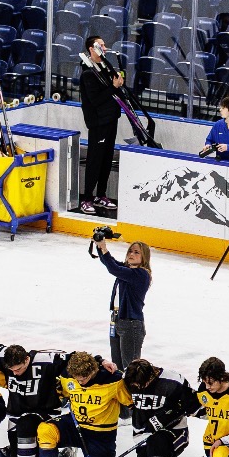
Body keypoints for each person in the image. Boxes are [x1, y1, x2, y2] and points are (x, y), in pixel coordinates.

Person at [77, 34, 125, 215]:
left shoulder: (104, 67)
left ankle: (101, 195)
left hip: (111, 119)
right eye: (101, 45)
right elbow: (96, 99)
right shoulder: (88, 74)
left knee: (106, 159)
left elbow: (112, 91)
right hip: (98, 123)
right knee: (95, 160)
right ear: (91, 49)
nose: (104, 48)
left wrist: (118, 84)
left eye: (105, 45)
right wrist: (113, 87)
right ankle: (87, 198)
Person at [93, 235, 152, 365]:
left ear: (144, 257)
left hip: (131, 325)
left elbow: (113, 268)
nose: (131, 254)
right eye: (130, 251)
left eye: (136, 252)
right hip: (116, 321)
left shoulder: (141, 274)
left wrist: (104, 247)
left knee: (130, 369)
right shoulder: (127, 270)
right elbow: (109, 262)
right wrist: (99, 245)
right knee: (117, 368)